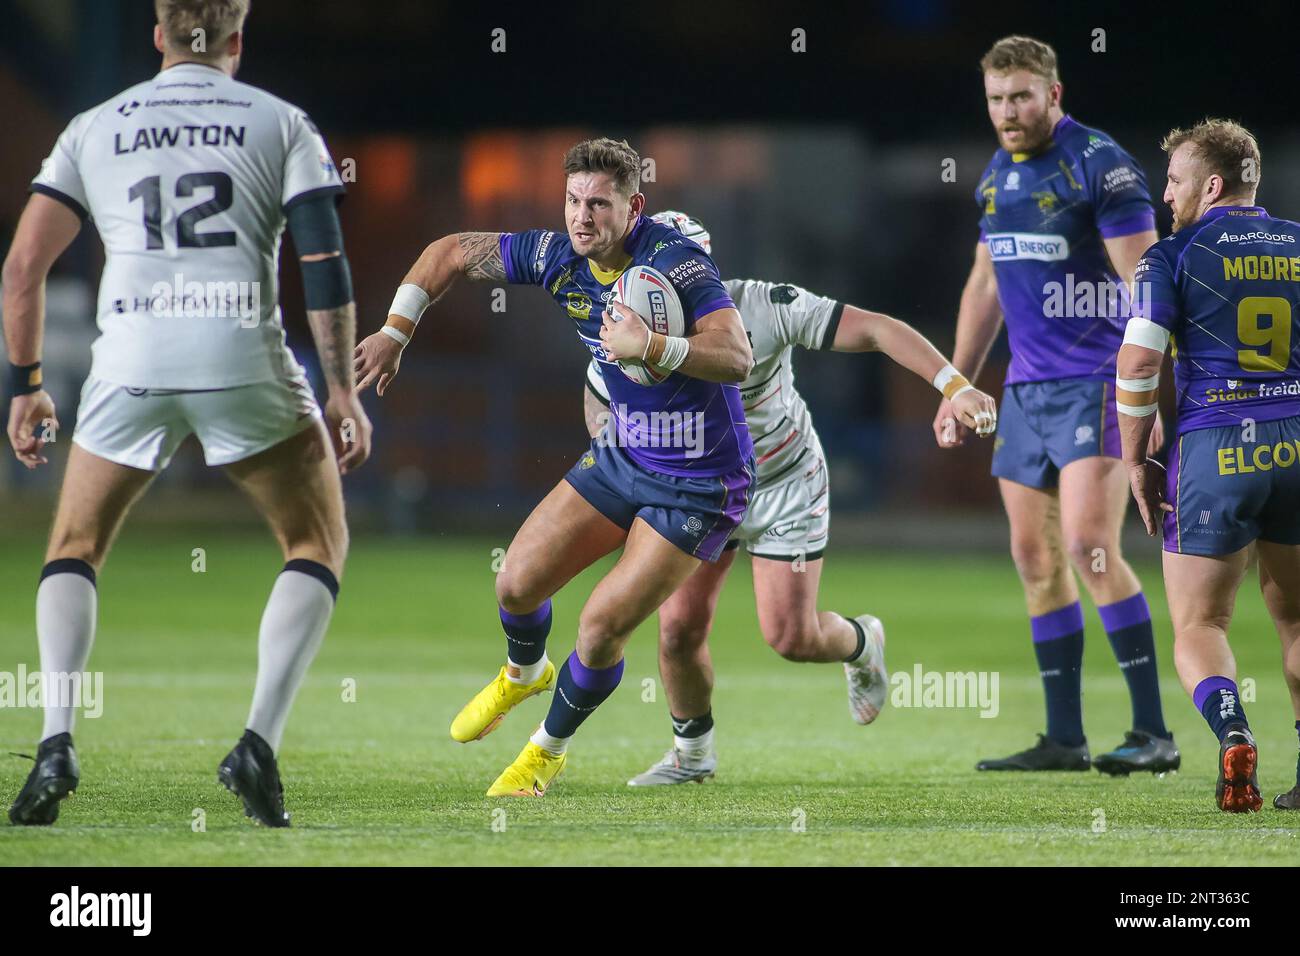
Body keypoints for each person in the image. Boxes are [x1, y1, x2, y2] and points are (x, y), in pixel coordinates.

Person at [5, 0, 370, 828]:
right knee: (316, 541)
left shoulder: (94, 127)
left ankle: (56, 741)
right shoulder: (282, 122)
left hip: (131, 359)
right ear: (237, 40)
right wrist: (342, 387)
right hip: (241, 351)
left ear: (159, 36)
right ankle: (257, 744)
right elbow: (324, 262)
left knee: (74, 546)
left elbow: (24, 266)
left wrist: (26, 382)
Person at [354, 139, 754, 798]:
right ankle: (522, 672)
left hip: (700, 481)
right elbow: (449, 251)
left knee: (600, 627)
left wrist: (652, 345)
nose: (582, 217)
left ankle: (546, 752)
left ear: (635, 208)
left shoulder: (677, 262)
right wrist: (397, 332)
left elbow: (736, 356)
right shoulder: (557, 255)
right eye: (573, 201)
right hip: (625, 453)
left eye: (600, 204)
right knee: (515, 583)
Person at [583, 211, 997, 784]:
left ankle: (860, 641)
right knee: (677, 630)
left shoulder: (759, 307)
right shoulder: (624, 326)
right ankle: (693, 756)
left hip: (782, 483)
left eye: (681, 270)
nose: (666, 283)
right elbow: (599, 400)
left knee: (791, 637)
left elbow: (876, 329)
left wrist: (955, 384)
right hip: (703, 489)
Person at [933, 35, 1175, 773]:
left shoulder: (1100, 165)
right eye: (997, 100)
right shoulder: (998, 174)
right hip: (1027, 392)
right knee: (1034, 558)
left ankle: (1154, 734)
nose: (1008, 113)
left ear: (1054, 94)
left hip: (1098, 383)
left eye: (1022, 97)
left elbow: (1147, 283)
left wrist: (1150, 394)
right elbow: (984, 285)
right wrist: (954, 382)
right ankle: (1064, 738)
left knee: (1088, 547)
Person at [1119, 118, 1300, 812]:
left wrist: (1137, 459)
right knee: (1296, 621)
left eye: (1174, 180)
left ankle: (1232, 734)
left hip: (1217, 448)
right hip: (1296, 438)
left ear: (1213, 185)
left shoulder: (1174, 256)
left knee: (1200, 625)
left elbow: (1138, 362)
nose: (1166, 195)